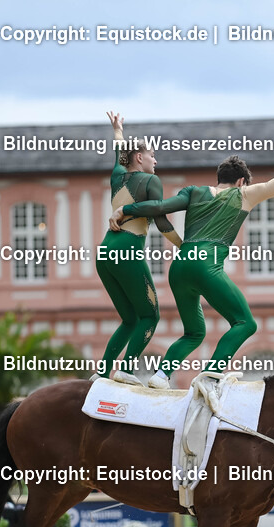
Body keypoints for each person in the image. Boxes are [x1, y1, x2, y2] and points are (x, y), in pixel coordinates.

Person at [110, 141, 274, 389]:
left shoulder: (193, 191)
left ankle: (161, 375)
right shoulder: (244, 194)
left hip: (179, 267)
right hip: (206, 265)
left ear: (219, 177)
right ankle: (211, 376)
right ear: (241, 181)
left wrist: (124, 209)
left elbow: (160, 207)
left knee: (194, 332)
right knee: (245, 323)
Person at [97, 111, 182, 385]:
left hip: (105, 252)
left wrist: (118, 130)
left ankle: (101, 373)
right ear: (138, 157)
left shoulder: (117, 176)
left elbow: (118, 153)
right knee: (150, 316)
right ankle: (126, 369)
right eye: (152, 155)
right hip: (127, 249)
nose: (155, 161)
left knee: (129, 319)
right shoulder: (151, 181)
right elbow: (160, 219)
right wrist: (183, 246)